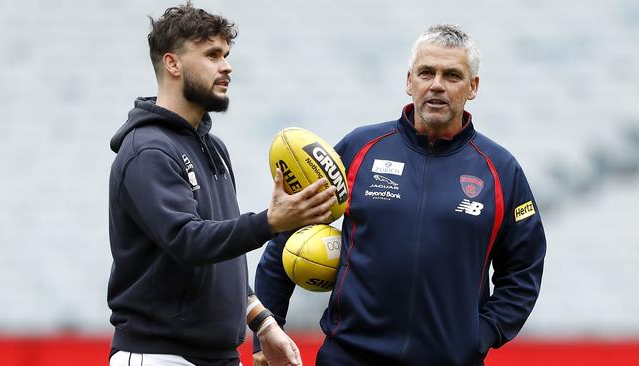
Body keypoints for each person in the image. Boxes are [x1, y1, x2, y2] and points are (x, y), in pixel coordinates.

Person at [252, 24, 547, 366]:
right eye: (426, 72)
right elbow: (285, 236)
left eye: (452, 75)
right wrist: (268, 332)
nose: (437, 84)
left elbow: (524, 270)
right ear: (410, 81)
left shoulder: (500, 170)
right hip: (349, 357)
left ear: (473, 87)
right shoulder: (359, 149)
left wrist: (481, 334)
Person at [106, 3, 337, 366]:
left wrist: (262, 322)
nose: (227, 66)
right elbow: (188, 241)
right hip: (160, 355)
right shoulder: (147, 151)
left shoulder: (213, 147)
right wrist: (270, 222)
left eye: (226, 55)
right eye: (212, 55)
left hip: (218, 356)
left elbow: (220, 253)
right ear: (173, 64)